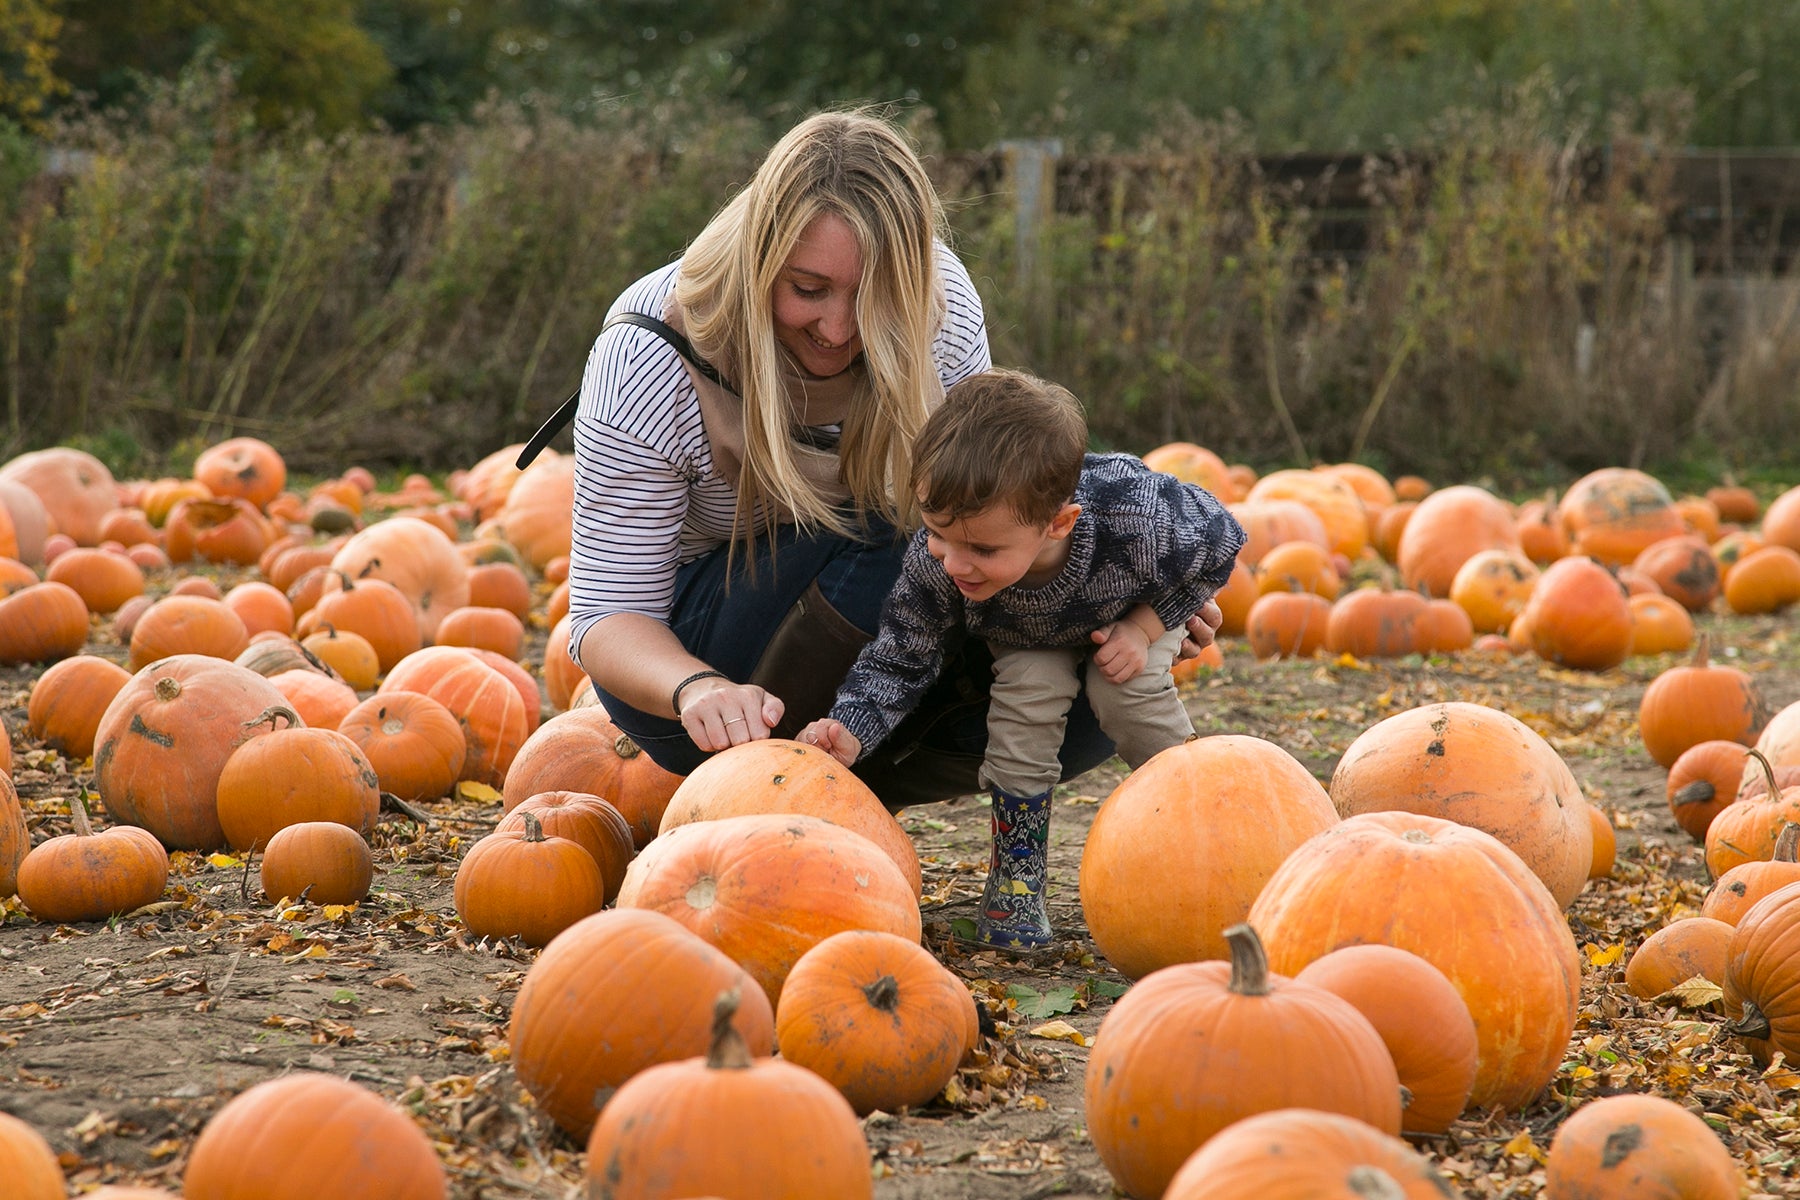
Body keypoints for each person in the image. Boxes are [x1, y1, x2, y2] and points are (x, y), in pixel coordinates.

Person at [563, 109, 1223, 811]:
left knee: (1092, 670)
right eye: (807, 289)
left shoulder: (940, 305)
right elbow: (607, 616)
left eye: (873, 295)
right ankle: (758, 790)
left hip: (878, 613)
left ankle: (845, 789)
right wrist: (698, 688)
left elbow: (995, 499)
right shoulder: (647, 354)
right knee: (898, 527)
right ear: (759, 259)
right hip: (703, 658)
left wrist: (1131, 582)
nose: (838, 327)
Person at [797, 369, 1246, 949]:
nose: (955, 563)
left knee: (1127, 694)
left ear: (1058, 522)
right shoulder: (940, 564)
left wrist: (1148, 624)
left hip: (1128, 611)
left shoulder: (1135, 515)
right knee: (1022, 709)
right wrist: (852, 730)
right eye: (938, 533)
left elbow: (1222, 541)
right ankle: (1017, 875)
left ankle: (1209, 839)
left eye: (982, 548)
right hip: (1028, 631)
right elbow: (901, 655)